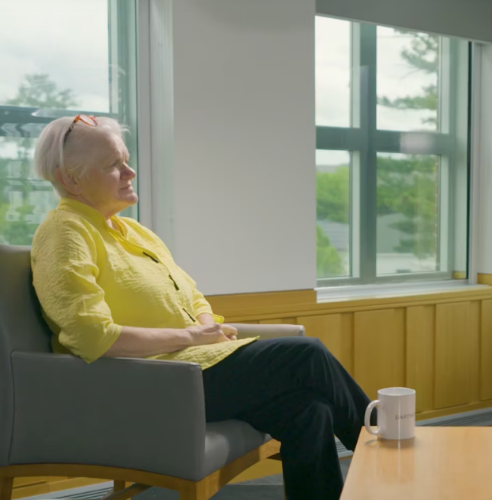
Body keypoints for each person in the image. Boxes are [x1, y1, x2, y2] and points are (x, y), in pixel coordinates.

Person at [29, 115, 370, 500]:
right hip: (146, 385)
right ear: (69, 179)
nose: (130, 171)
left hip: (193, 369)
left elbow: (191, 295)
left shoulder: (133, 232)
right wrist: (194, 334)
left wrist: (205, 326)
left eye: (126, 159)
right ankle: (390, 454)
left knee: (309, 409)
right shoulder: (65, 232)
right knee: (306, 356)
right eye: (113, 165)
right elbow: (93, 337)